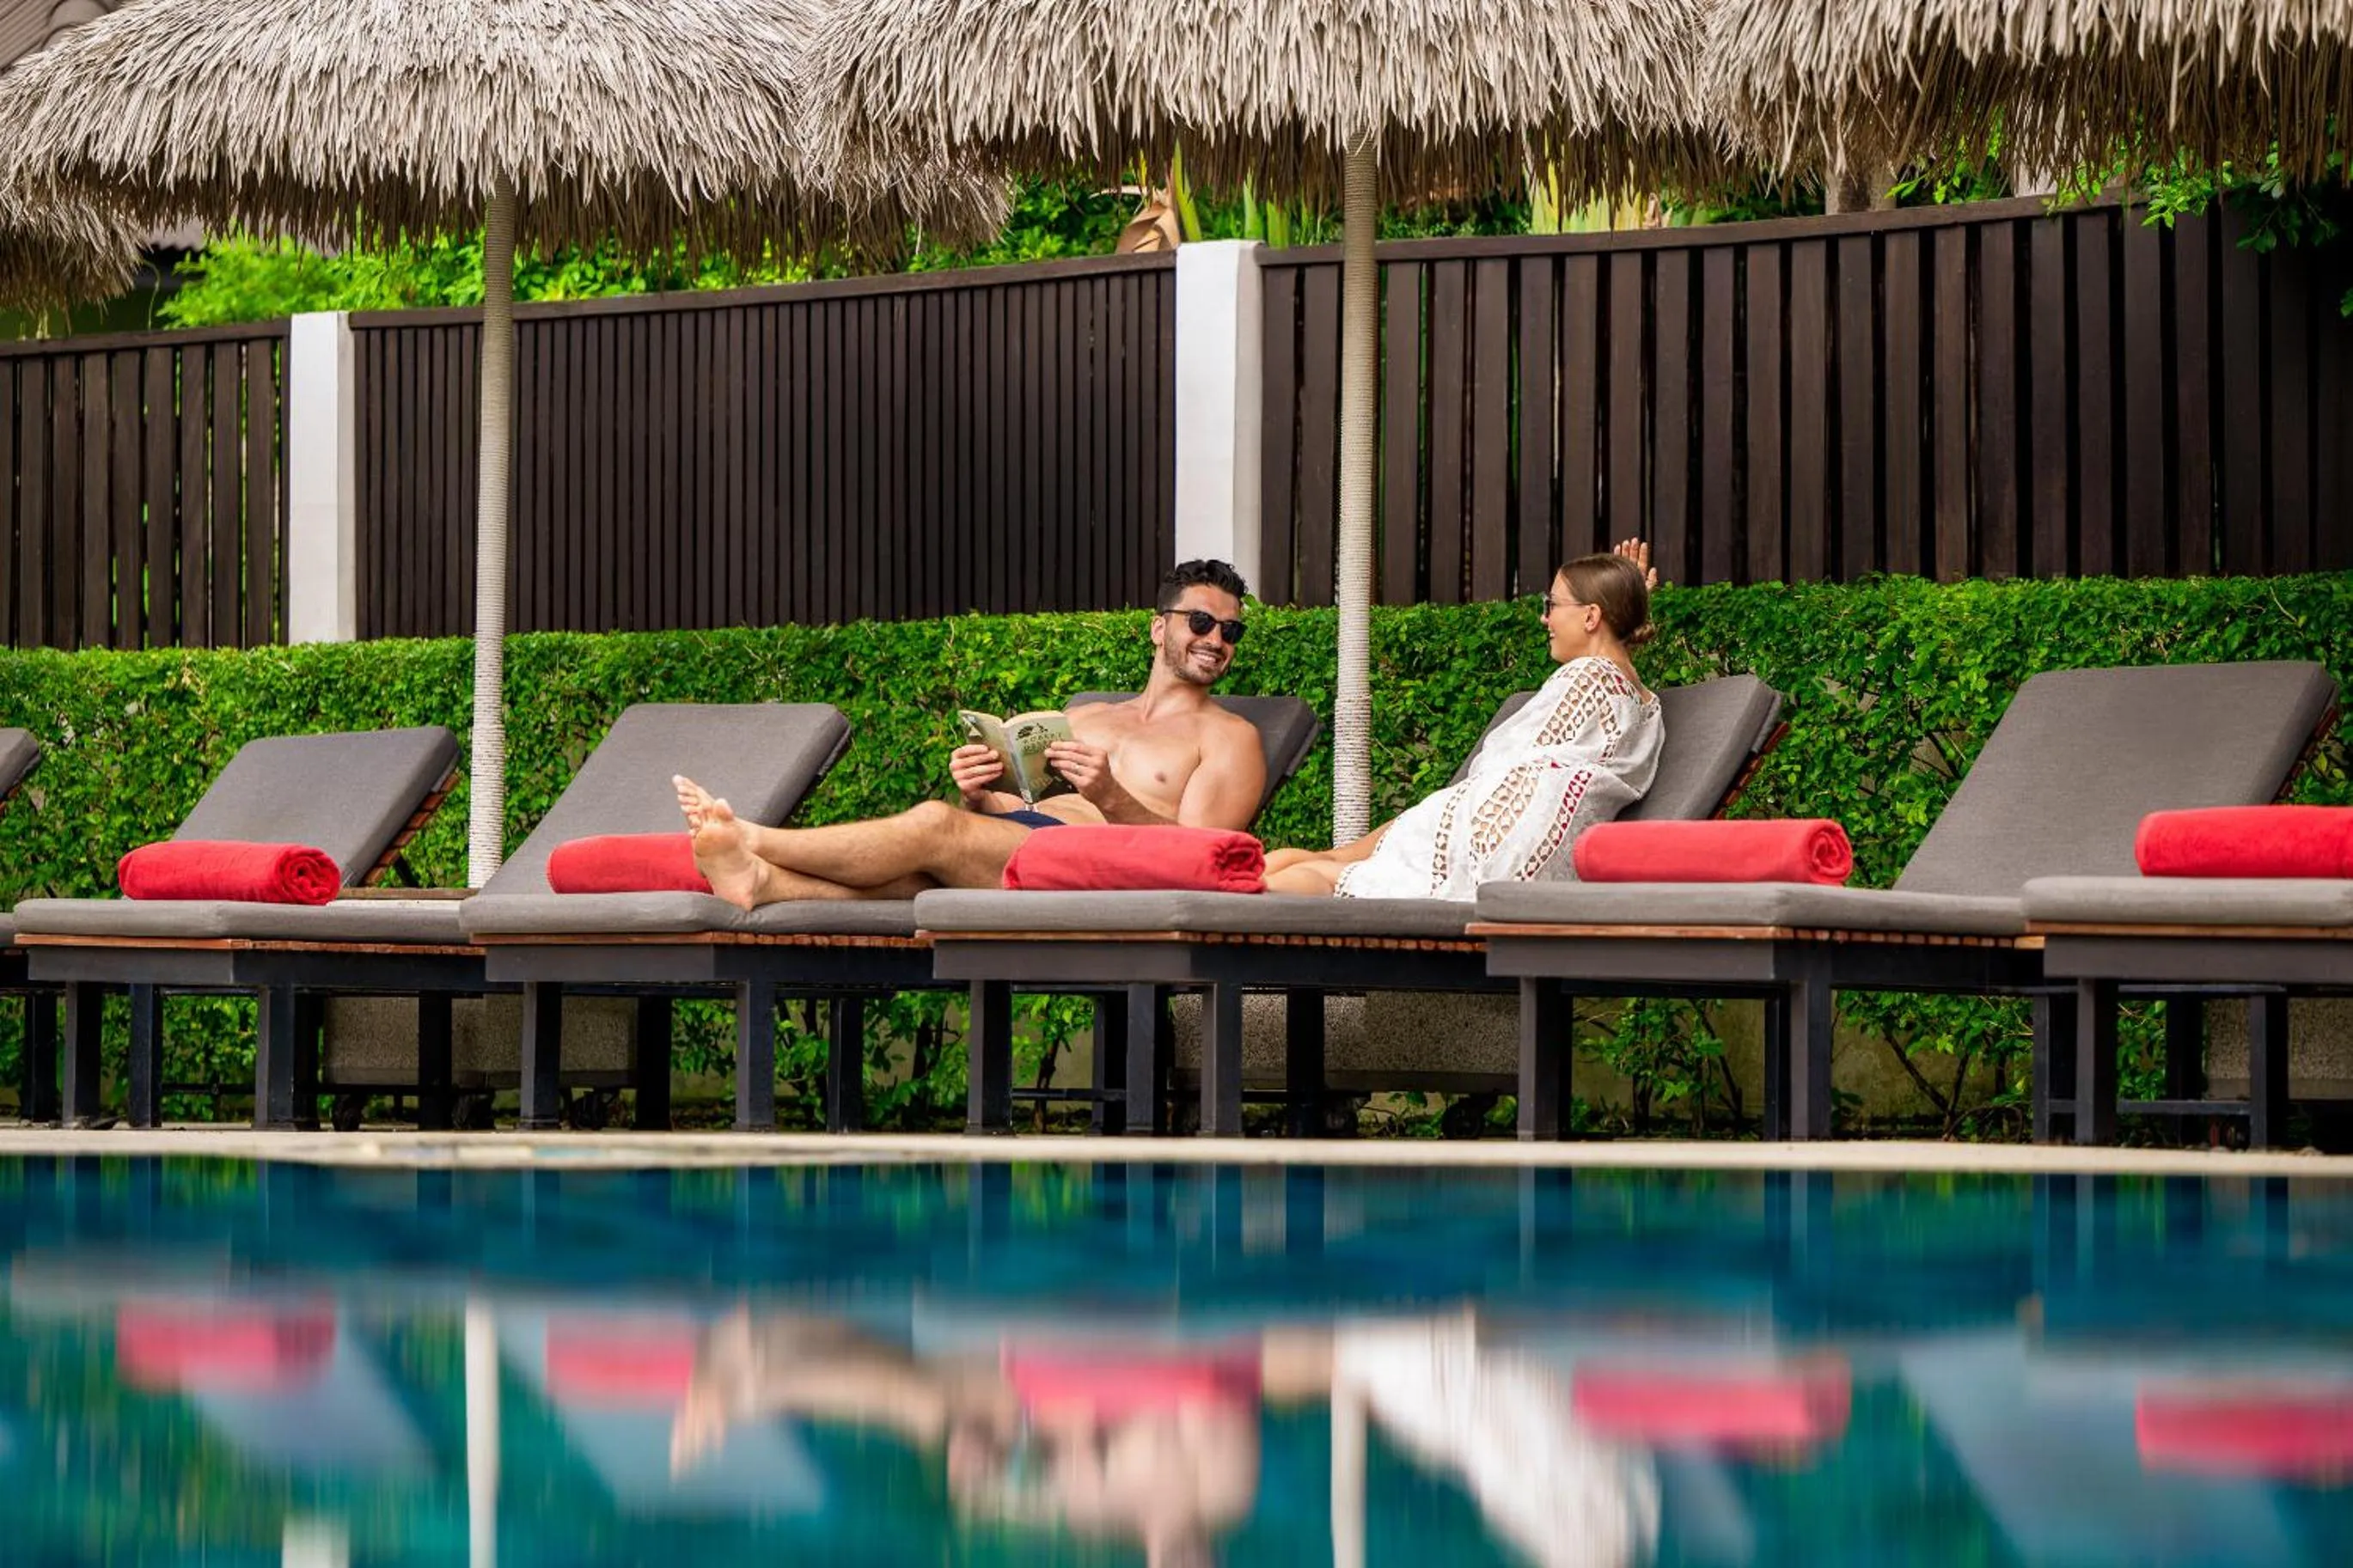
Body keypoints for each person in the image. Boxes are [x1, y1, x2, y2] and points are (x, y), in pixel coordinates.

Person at [675, 560, 1268, 907]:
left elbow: (1207, 858)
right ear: (1157, 629)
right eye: (1201, 622)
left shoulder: (1228, 738)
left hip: (1096, 870)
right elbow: (1024, 808)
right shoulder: (1086, 716)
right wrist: (981, 794)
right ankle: (762, 881)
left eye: (1231, 631)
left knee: (933, 824)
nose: (1216, 640)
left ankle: (753, 839)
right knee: (914, 872)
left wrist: (1110, 795)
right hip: (1026, 840)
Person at [1262, 541, 1663, 899]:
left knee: (1327, 871)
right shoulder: (1641, 702)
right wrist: (1626, 604)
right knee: (1326, 864)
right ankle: (1228, 887)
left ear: (1591, 616)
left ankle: (1225, 897)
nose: (1545, 619)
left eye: (1552, 605)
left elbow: (1503, 765)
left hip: (1496, 849)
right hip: (1514, 843)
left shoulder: (1586, 677)